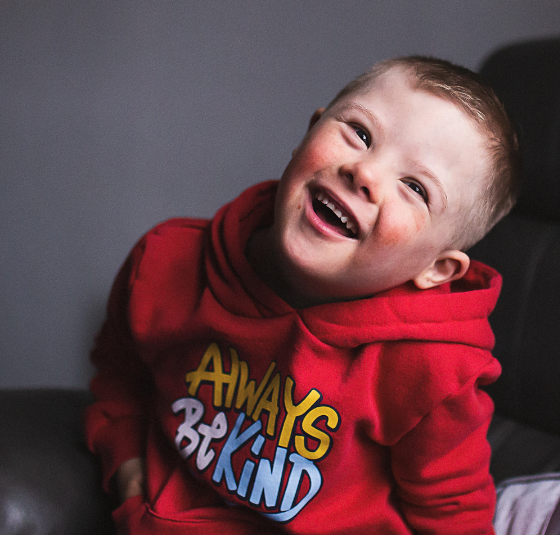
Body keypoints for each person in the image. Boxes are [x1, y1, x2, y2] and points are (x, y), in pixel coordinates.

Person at [85, 56, 522, 535]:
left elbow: (451, 516)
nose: (365, 172)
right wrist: (129, 476)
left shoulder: (432, 368)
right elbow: (120, 378)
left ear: (436, 269)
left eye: (415, 187)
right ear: (309, 134)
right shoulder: (167, 262)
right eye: (359, 133)